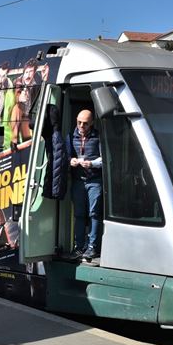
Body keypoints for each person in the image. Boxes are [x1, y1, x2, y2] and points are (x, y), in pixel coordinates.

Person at [66, 109, 103, 264]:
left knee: (94, 214)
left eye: (85, 123)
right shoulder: (70, 136)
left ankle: (93, 247)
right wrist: (71, 161)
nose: (81, 125)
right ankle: (79, 247)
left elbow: (106, 158)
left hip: (94, 180)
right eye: (79, 122)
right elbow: (65, 156)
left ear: (92, 123)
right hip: (78, 181)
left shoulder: (99, 136)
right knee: (79, 215)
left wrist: (92, 163)